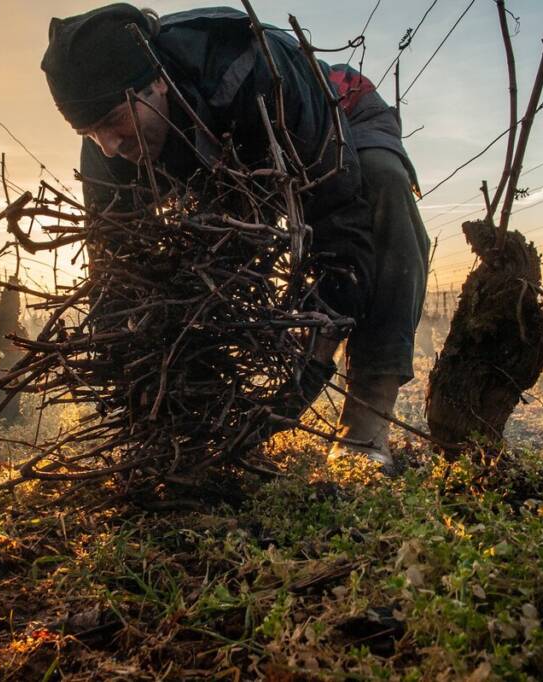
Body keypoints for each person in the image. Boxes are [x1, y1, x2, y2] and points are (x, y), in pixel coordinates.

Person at [41, 4, 429, 473]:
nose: (107, 144)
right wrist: (137, 387)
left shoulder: (252, 70)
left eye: (112, 120)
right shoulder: (110, 141)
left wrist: (312, 364)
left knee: (381, 188)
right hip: (227, 160)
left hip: (335, 115)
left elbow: (338, 217)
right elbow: (115, 267)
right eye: (88, 132)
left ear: (155, 81)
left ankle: (365, 429)